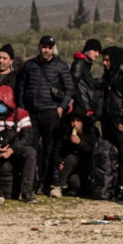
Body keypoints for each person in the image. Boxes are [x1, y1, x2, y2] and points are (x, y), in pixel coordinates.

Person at [19, 35, 74, 196]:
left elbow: (69, 88)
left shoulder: (60, 66)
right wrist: (22, 109)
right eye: (44, 47)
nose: (46, 50)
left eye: (49, 48)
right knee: (30, 148)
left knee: (50, 150)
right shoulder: (29, 65)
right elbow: (21, 88)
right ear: (39, 47)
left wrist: (61, 107)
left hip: (51, 112)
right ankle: (30, 183)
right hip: (31, 113)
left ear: (53, 49)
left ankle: (45, 183)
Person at [0, 82, 37, 204]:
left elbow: (28, 137)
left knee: (31, 153)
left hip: (15, 149)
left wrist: (11, 150)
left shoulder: (22, 114)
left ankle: (27, 192)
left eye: (1, 103)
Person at [98, 45, 123, 201]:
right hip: (108, 122)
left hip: (120, 123)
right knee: (110, 156)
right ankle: (113, 187)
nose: (104, 63)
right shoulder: (108, 76)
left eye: (107, 60)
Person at [54, 112, 96, 197]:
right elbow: (57, 151)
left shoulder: (90, 133)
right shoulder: (65, 133)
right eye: (73, 121)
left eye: (78, 121)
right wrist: (59, 162)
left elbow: (92, 152)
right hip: (70, 165)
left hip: (85, 168)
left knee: (75, 182)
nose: (75, 124)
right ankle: (58, 186)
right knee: (71, 158)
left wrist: (80, 143)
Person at [71, 38, 102, 119]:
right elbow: (73, 85)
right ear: (87, 50)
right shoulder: (79, 63)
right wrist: (81, 104)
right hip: (82, 108)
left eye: (98, 52)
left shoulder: (85, 65)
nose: (97, 54)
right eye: (95, 51)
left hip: (86, 107)